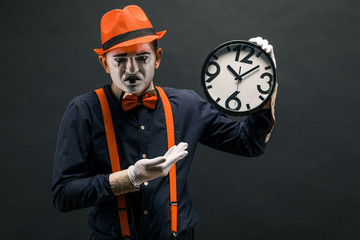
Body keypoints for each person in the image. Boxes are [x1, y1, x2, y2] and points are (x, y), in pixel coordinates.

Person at [52, 5, 278, 240]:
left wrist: (263, 82)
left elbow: (250, 144)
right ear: (105, 63)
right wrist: (129, 178)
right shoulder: (84, 111)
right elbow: (64, 195)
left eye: (142, 57)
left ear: (157, 58)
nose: (131, 69)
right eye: (120, 59)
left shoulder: (188, 104)